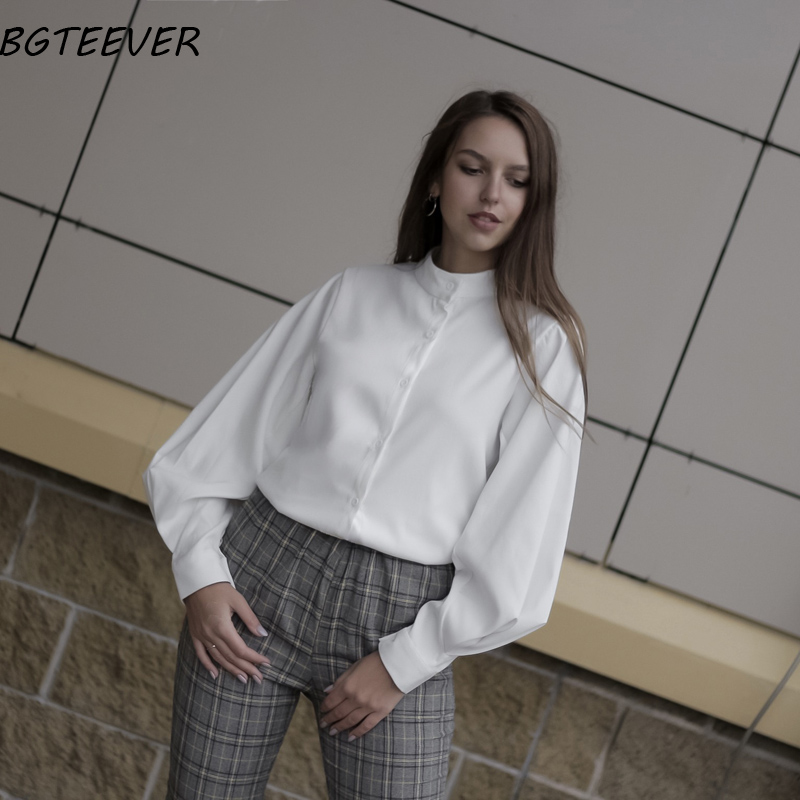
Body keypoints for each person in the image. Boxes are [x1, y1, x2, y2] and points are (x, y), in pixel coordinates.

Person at [143, 88, 589, 800]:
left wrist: (405, 662)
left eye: (517, 180)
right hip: (260, 578)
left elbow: (522, 540)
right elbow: (221, 437)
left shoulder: (543, 346)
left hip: (402, 619)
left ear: (535, 202)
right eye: (473, 168)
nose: (492, 195)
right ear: (437, 177)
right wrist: (200, 573)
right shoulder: (353, 294)